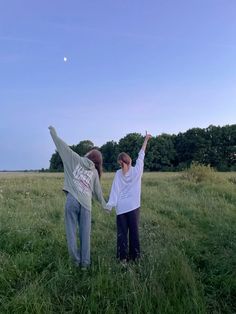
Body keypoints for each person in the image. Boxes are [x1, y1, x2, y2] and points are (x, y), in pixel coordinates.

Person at [48, 126, 107, 269]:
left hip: (72, 200)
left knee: (72, 234)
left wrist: (53, 133)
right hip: (86, 205)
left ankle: (75, 262)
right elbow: (98, 193)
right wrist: (106, 206)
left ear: (89, 155)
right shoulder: (94, 172)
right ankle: (85, 265)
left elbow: (62, 147)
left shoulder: (76, 159)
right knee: (85, 236)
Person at [106, 132, 152, 262]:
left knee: (128, 234)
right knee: (127, 234)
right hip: (126, 209)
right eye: (120, 164)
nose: (121, 167)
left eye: (121, 164)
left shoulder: (130, 172)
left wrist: (146, 139)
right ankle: (128, 258)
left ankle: (129, 258)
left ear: (125, 162)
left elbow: (141, 155)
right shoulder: (126, 172)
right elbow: (115, 190)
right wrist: (110, 205)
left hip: (128, 208)